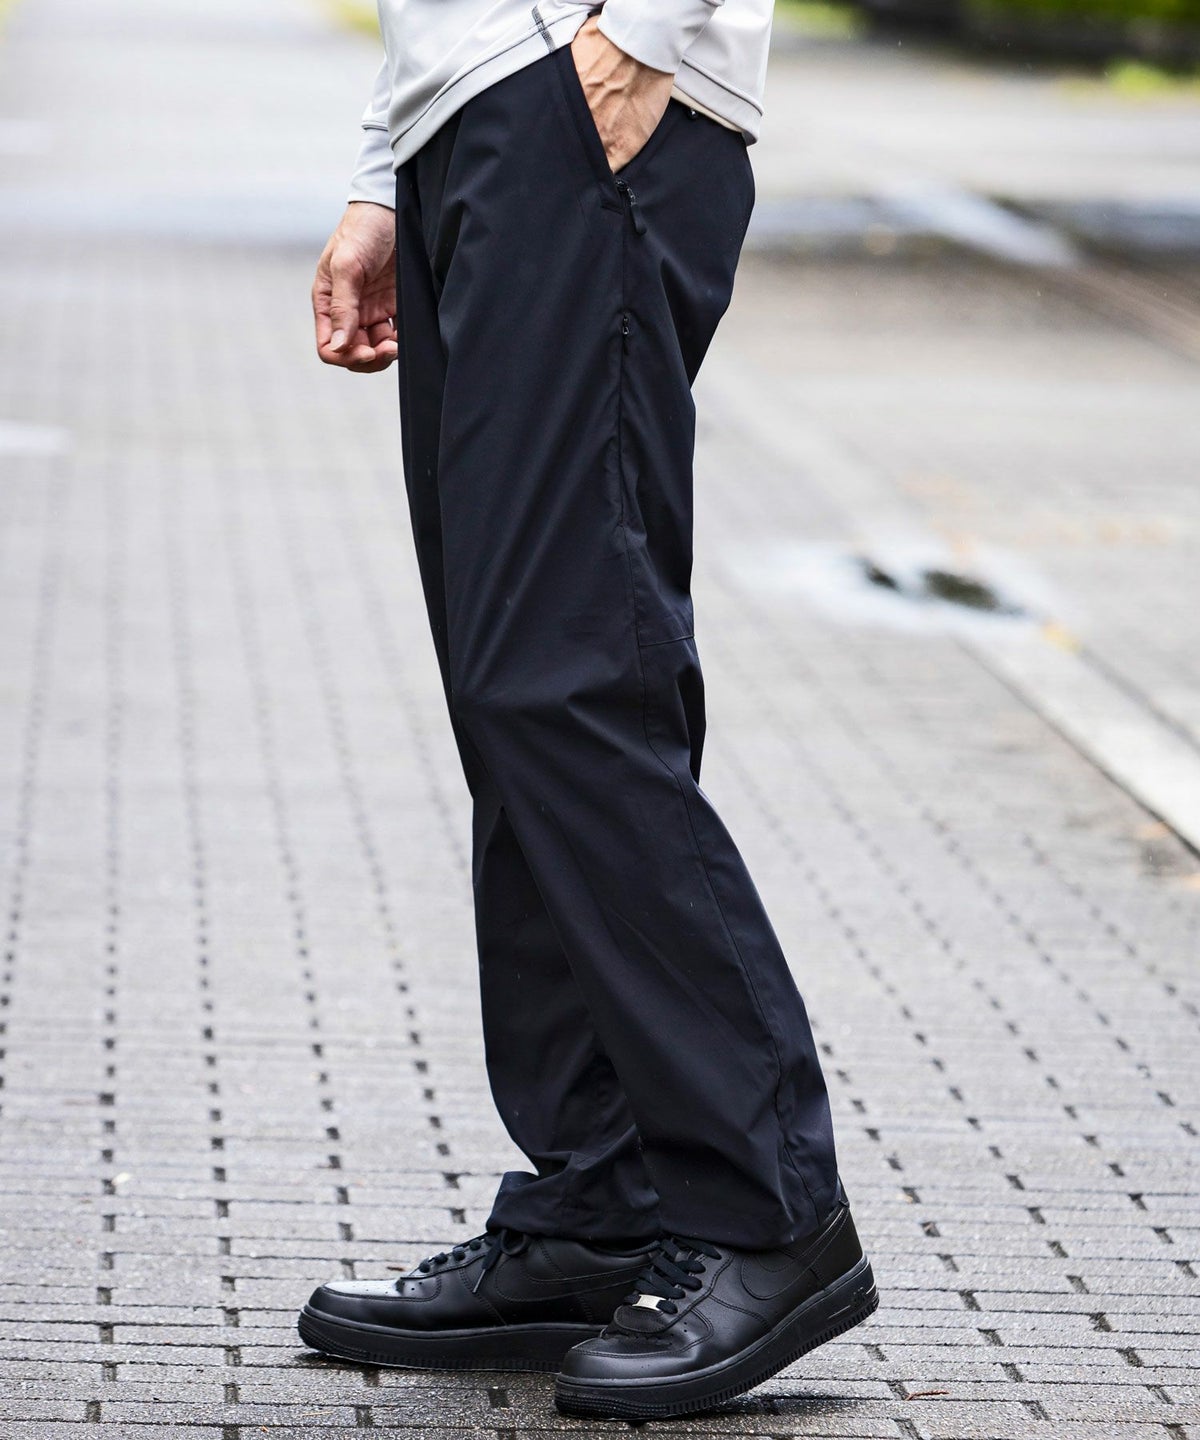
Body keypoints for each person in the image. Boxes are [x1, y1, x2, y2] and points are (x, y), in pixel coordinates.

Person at [296, 0, 877, 1419]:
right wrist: (387, 171)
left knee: (569, 682)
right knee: (513, 697)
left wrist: (648, 41)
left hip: (589, 104)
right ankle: (596, 1209)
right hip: (477, 123)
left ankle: (769, 1212)